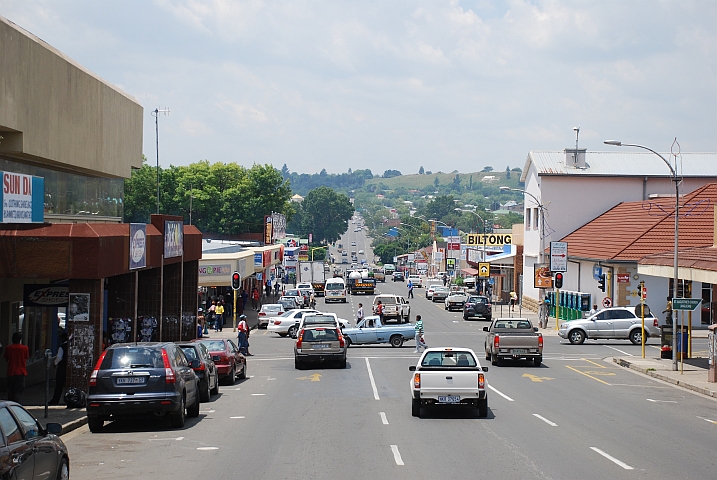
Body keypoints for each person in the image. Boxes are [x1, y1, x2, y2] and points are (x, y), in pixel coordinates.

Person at [4, 332, 28, 403]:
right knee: (18, 389)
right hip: (21, 371)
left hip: (11, 371)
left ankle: (10, 402)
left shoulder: (8, 348)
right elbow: (26, 357)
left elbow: (6, 358)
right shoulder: (25, 348)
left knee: (10, 389)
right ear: (20, 339)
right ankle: (16, 402)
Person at [49, 333, 68, 405]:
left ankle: (55, 400)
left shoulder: (62, 347)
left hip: (62, 368)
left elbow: (59, 358)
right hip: (68, 368)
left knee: (59, 385)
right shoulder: (70, 346)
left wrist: (55, 363)